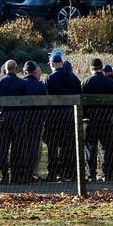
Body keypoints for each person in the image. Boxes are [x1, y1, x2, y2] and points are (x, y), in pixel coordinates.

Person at [44, 49, 81, 182]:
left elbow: (46, 98)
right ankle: (70, 173)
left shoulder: (49, 79)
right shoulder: (73, 77)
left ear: (52, 64)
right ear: (62, 63)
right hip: (71, 115)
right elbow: (79, 94)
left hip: (55, 117)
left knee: (53, 146)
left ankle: (53, 173)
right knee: (70, 145)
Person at [81, 57, 113, 181]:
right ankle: (105, 173)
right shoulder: (110, 82)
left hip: (91, 119)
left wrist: (84, 115)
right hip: (106, 118)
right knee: (106, 147)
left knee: (90, 148)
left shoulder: (85, 82)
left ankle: (90, 174)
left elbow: (82, 101)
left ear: (91, 68)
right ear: (102, 67)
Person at [0, 59, 26, 185]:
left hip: (2, 118)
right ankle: (16, 175)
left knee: (2, 148)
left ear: (5, 69)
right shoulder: (21, 83)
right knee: (17, 147)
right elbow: (27, 102)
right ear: (16, 68)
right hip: (17, 119)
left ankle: (4, 175)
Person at [16, 61, 48, 184]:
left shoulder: (20, 84)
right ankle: (32, 172)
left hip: (22, 120)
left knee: (22, 146)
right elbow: (45, 104)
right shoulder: (40, 86)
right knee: (35, 147)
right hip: (37, 121)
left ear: (24, 72)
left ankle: (22, 172)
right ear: (35, 72)